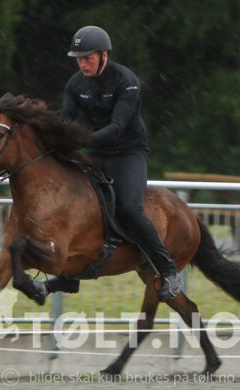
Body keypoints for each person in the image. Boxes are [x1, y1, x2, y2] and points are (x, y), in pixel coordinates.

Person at [52, 25, 183, 301]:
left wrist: (82, 140)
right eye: (78, 58)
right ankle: (68, 277)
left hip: (129, 152)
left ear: (104, 55)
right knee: (78, 204)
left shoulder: (127, 80)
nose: (82, 63)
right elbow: (64, 123)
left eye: (88, 57)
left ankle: (169, 271)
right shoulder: (75, 84)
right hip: (97, 153)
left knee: (128, 209)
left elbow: (117, 126)